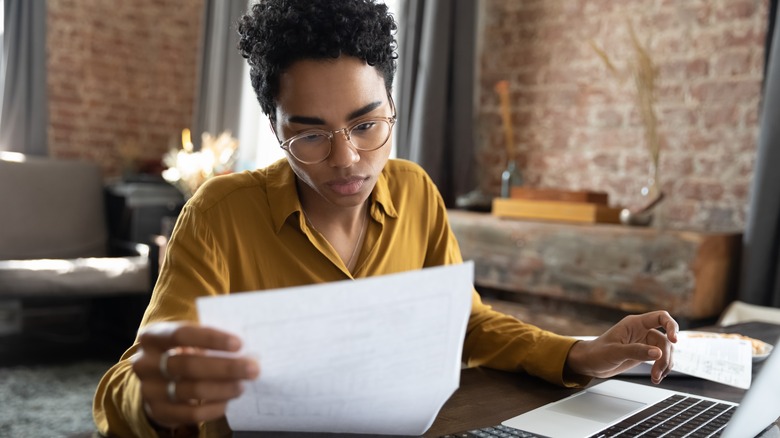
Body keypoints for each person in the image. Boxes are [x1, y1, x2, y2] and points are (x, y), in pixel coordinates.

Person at [93, 1, 679, 436]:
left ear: (393, 107)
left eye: (367, 124)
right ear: (275, 130)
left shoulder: (417, 193)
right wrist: (151, 397)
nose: (347, 159)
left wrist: (579, 353)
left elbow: (466, 325)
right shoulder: (219, 216)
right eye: (311, 134)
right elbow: (126, 383)